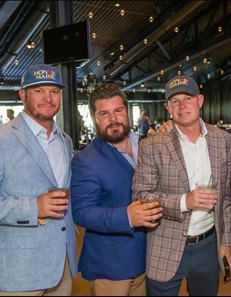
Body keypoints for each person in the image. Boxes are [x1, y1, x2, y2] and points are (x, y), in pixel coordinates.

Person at [0, 64, 77, 295]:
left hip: (61, 265)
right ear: (23, 94)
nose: (48, 98)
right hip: (18, 269)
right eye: (39, 91)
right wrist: (33, 207)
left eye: (54, 91)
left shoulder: (65, 140)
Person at [132, 75, 231, 296]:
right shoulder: (151, 145)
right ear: (168, 107)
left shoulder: (224, 140)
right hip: (165, 245)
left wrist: (226, 243)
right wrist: (184, 201)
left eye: (188, 98)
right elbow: (140, 196)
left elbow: (225, 198)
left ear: (200, 100)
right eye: (175, 101)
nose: (182, 105)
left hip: (208, 246)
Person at [71, 83, 162, 296]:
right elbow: (82, 211)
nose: (113, 119)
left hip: (147, 259)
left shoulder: (147, 145)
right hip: (111, 267)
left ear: (127, 112)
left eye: (118, 111)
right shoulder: (86, 160)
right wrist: (127, 216)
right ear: (95, 118)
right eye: (104, 113)